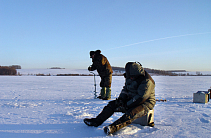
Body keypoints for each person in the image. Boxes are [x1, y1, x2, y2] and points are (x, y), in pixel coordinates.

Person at [84, 62, 156, 135]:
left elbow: (141, 98)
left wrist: (127, 105)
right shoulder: (130, 76)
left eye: (132, 77)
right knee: (112, 105)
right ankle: (97, 121)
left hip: (145, 103)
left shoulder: (147, 81)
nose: (130, 78)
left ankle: (113, 128)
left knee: (131, 113)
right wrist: (121, 99)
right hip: (131, 100)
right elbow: (125, 89)